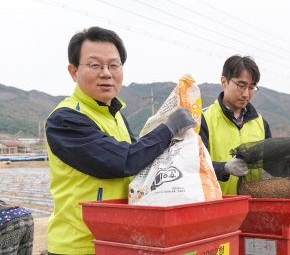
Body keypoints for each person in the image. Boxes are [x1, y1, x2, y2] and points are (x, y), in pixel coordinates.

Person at [45, 26, 197, 254]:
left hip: (116, 240)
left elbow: (142, 159)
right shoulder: (65, 119)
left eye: (113, 65)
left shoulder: (116, 117)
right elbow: (122, 161)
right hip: (80, 245)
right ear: (74, 71)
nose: (106, 73)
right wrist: (168, 128)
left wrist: (219, 168)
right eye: (95, 65)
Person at [200, 55, 272, 195]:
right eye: (241, 86)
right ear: (224, 81)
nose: (246, 94)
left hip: (254, 209)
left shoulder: (261, 123)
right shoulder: (204, 120)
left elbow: (271, 166)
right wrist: (224, 168)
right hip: (216, 208)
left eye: (251, 88)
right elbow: (193, 166)